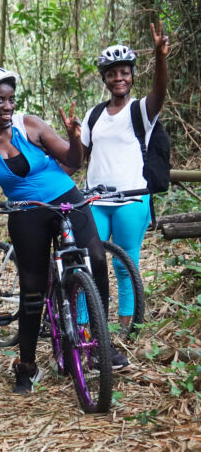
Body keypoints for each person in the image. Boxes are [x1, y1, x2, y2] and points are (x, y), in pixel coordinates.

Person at [0, 67, 118, 394]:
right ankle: (27, 365)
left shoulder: (29, 125)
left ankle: (102, 342)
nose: (7, 106)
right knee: (32, 290)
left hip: (66, 199)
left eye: (10, 99)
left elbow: (72, 160)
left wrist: (75, 137)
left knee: (95, 259)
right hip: (25, 212)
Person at [81, 23, 169, 338]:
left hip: (133, 198)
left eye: (125, 72)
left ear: (132, 76)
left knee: (124, 263)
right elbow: (79, 155)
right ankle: (84, 329)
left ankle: (128, 327)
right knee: (88, 263)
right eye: (113, 73)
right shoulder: (93, 116)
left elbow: (159, 92)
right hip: (95, 201)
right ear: (104, 78)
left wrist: (160, 58)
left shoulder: (141, 111)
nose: (119, 78)